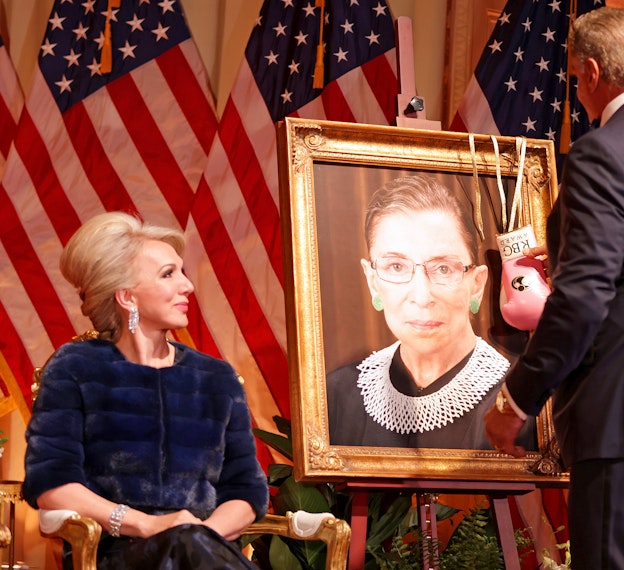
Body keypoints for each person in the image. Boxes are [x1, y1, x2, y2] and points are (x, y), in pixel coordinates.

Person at [484, 7, 624, 569]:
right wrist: (564, 254)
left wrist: (516, 399)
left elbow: (585, 299)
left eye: (574, 80)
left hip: (622, 414)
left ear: (589, 71)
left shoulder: (602, 150)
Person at [23, 212, 269, 569]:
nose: (188, 286)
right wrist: (151, 526)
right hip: (120, 555)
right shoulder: (75, 368)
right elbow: (52, 484)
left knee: (190, 545)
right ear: (127, 297)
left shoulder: (217, 378)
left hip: (206, 550)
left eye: (182, 272)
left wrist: (201, 536)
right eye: (169, 274)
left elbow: (246, 491)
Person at [327, 175, 535, 450]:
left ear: (477, 284)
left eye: (443, 268)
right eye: (397, 267)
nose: (422, 297)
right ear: (372, 281)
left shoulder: (524, 398)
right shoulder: (337, 393)